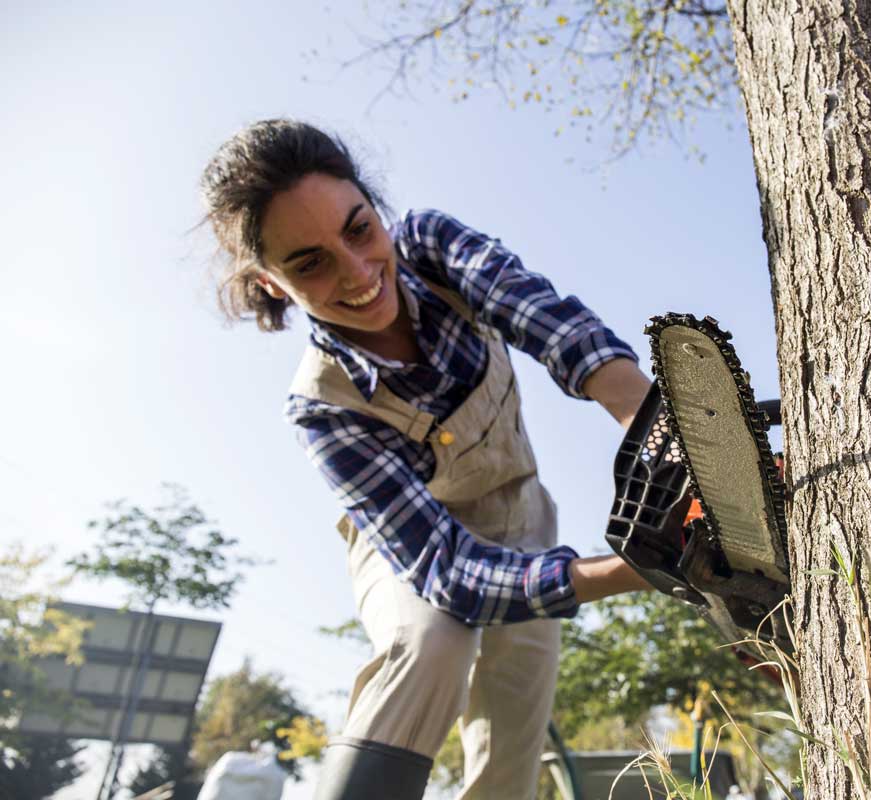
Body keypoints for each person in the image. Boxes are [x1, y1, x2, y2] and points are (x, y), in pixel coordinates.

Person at [201, 119, 652, 799]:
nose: (357, 274)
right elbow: (444, 570)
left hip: (521, 515)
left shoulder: (432, 247)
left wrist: (658, 429)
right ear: (270, 283)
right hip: (406, 544)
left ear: (376, 210)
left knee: (511, 747)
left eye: (359, 230)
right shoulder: (323, 406)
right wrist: (635, 569)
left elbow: (541, 315)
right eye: (309, 263)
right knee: (434, 639)